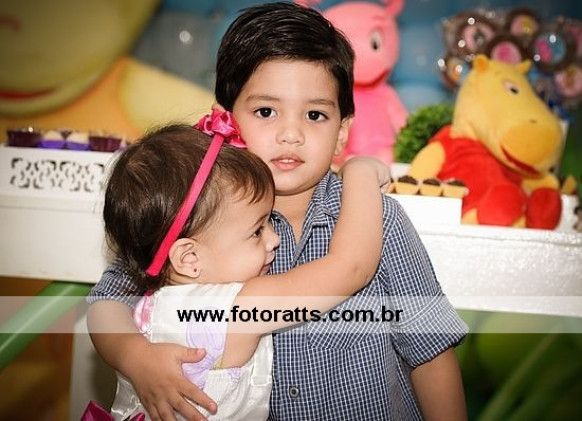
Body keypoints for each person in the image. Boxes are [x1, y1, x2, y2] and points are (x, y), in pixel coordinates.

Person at [87, 2, 469, 420]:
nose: (291, 133)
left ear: (342, 131)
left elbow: (430, 348)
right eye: (266, 111)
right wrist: (135, 356)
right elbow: (108, 300)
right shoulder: (193, 208)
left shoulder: (378, 217)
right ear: (226, 119)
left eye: (315, 114)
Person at [94, 120, 387, 420]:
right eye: (257, 231)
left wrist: (135, 354)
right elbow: (351, 267)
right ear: (190, 258)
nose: (274, 239)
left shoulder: (144, 307)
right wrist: (360, 174)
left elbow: (100, 307)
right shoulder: (236, 308)